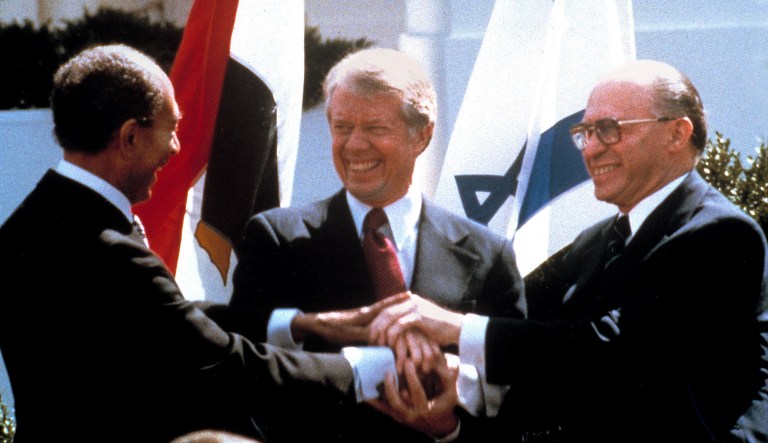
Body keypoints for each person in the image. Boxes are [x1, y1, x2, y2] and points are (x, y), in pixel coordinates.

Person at [0, 44, 401, 442]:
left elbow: (158, 316)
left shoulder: (27, 224)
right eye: (171, 129)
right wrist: (372, 370)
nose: (175, 148)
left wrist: (298, 325)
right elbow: (217, 362)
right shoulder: (111, 252)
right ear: (130, 137)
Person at [368, 60, 768, 442]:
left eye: (609, 129)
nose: (590, 149)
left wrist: (454, 328)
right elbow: (518, 319)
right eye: (585, 132)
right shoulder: (595, 242)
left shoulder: (721, 235)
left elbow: (609, 353)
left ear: (676, 134)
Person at [226, 47, 525, 442]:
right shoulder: (277, 239)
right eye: (341, 127)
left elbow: (516, 396)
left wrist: (447, 429)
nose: (354, 145)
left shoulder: (488, 255)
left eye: (375, 128)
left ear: (422, 135)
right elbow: (238, 361)